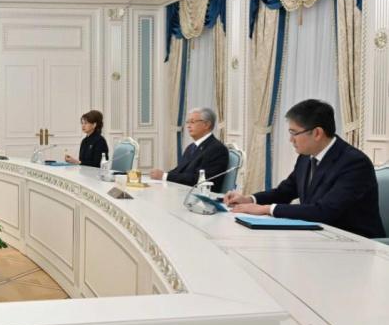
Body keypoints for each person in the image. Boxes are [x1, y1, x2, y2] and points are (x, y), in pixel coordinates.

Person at [226, 99, 383, 239]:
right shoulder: (306, 157)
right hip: (316, 235)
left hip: (354, 243)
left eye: (294, 133)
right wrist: (250, 199)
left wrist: (266, 209)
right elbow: (285, 192)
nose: (291, 140)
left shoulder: (354, 163)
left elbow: (325, 211)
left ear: (317, 133)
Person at [150, 107, 229, 189]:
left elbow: (201, 180)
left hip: (200, 194)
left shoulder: (217, 149)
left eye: (192, 122)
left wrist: (165, 176)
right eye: (188, 122)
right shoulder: (191, 147)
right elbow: (179, 170)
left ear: (206, 125)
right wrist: (162, 175)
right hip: (183, 190)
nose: (188, 126)